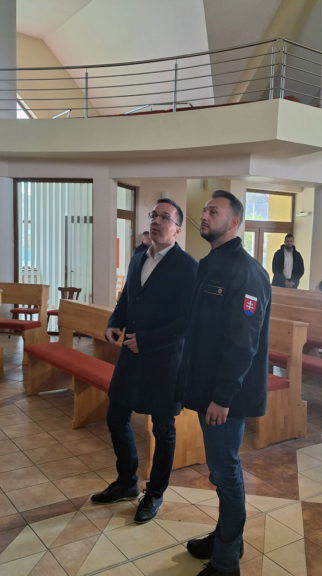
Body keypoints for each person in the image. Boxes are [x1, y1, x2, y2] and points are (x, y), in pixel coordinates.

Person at [90, 199, 197, 524]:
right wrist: (114, 322)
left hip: (164, 360)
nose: (157, 221)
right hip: (131, 355)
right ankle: (127, 481)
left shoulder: (187, 267)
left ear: (177, 229)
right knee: (116, 416)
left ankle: (155, 492)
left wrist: (148, 340)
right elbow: (127, 299)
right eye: (154, 215)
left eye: (165, 217)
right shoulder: (139, 257)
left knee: (163, 428)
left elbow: (187, 321)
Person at [182, 190, 271, 576]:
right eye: (204, 210)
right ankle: (225, 537)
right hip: (209, 390)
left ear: (234, 223)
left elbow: (242, 342)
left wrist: (222, 396)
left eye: (213, 212)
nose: (204, 215)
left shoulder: (246, 272)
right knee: (219, 471)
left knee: (226, 472)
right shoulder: (210, 264)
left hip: (226, 397)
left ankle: (226, 561)